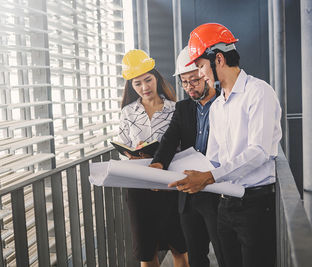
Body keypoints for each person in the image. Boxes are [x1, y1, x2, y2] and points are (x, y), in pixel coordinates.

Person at [168, 23, 282, 267]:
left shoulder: (259, 93)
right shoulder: (218, 106)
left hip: (255, 205)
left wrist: (208, 176)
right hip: (225, 205)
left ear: (218, 59)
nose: (200, 74)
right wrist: (190, 175)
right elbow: (215, 158)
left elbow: (259, 152)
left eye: (200, 66)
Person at [149, 46, 225, 267]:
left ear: (205, 77)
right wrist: (158, 164)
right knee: (196, 257)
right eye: (184, 82)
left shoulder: (224, 104)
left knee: (225, 254)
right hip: (190, 196)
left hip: (217, 191)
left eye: (194, 80)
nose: (189, 87)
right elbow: (170, 140)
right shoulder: (182, 109)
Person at [119, 49, 189, 267]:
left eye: (148, 80)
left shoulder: (174, 109)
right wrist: (130, 153)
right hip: (139, 188)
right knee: (146, 251)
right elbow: (123, 146)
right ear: (131, 86)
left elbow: (182, 146)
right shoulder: (128, 112)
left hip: (169, 184)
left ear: (156, 78)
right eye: (137, 84)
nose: (144, 87)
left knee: (179, 246)